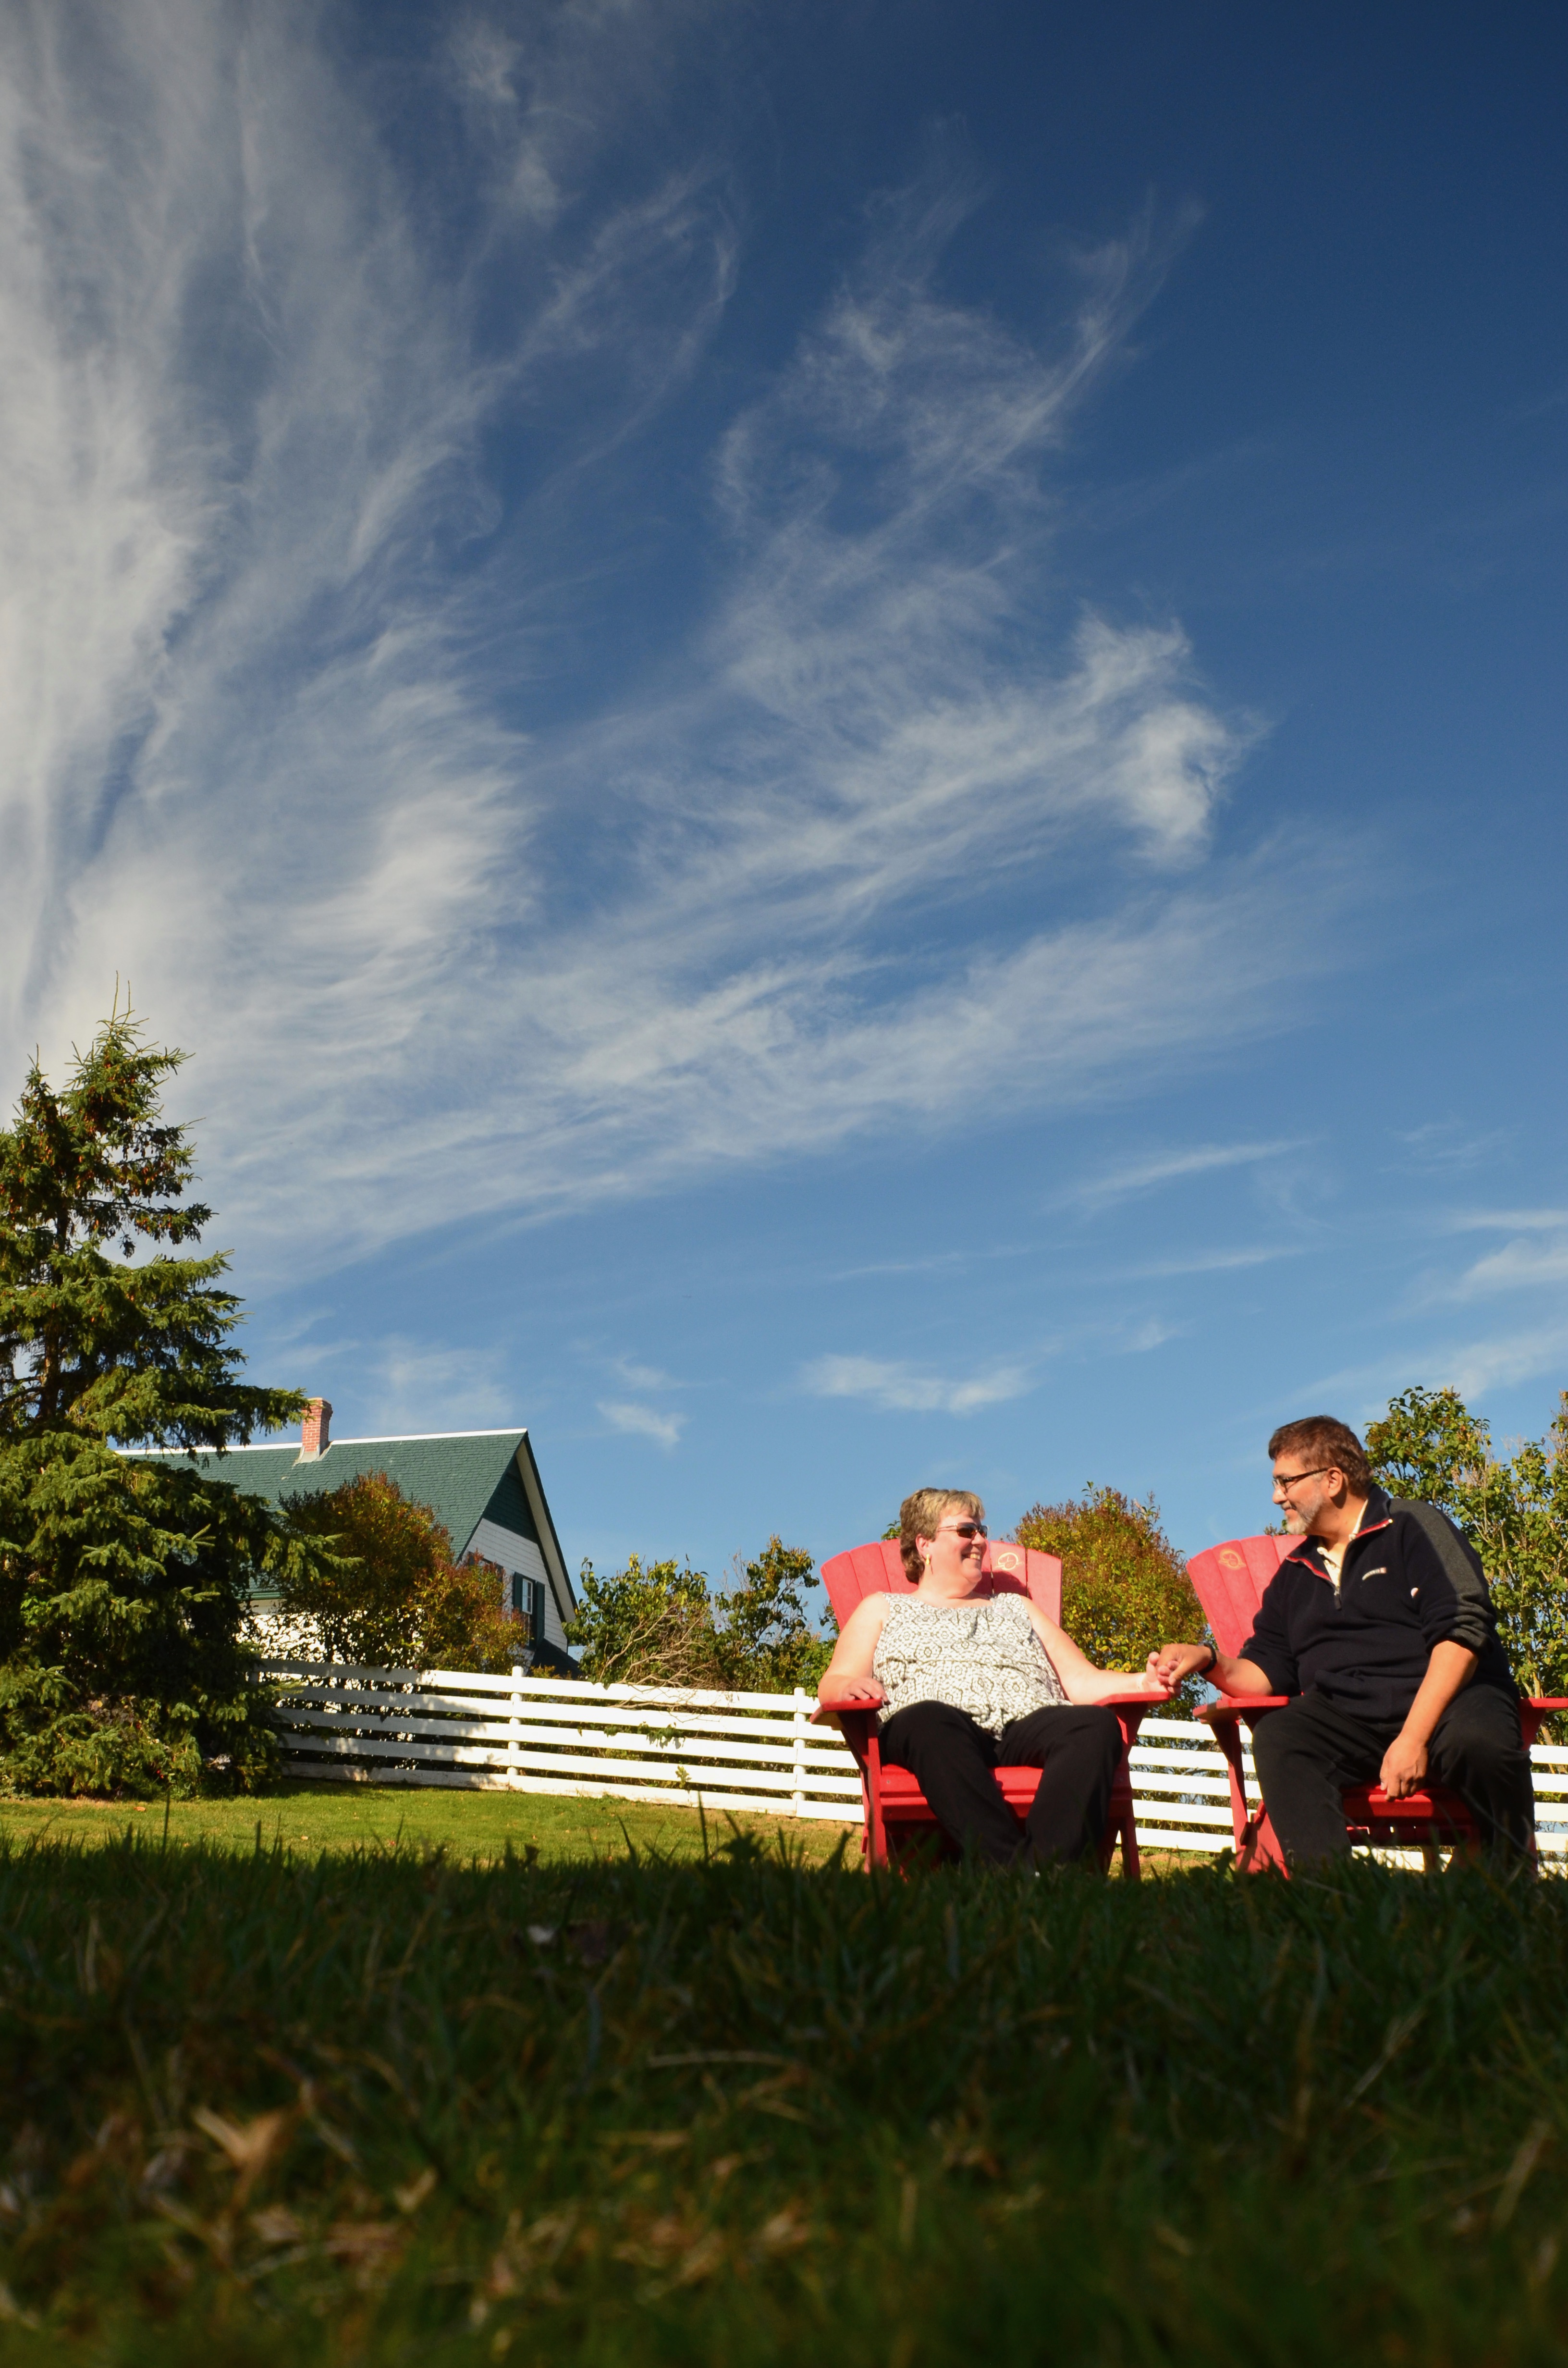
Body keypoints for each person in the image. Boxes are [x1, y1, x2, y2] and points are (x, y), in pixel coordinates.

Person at [1148, 1415, 1534, 1865]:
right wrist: (1208, 1659)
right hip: (1352, 1719)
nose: (1277, 1497)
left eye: (1285, 1482)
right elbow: (1267, 1672)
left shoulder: (1411, 1527)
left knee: (1480, 1740)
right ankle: (1333, 1900)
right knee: (1281, 1736)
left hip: (1450, 1704)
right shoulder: (1296, 1574)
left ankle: (1506, 1879)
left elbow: (1463, 1632)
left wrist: (1413, 1739)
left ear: (1333, 1479)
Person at [817, 1487, 1166, 1869]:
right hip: (936, 1734)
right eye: (966, 1531)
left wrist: (1141, 1683)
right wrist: (846, 1687)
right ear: (925, 1545)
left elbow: (1081, 1681)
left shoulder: (1018, 1607)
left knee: (1094, 1724)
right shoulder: (883, 1608)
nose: (981, 1541)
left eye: (982, 1530)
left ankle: (1043, 1872)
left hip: (1024, 1727)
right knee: (929, 1718)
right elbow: (835, 1680)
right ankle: (1015, 1872)